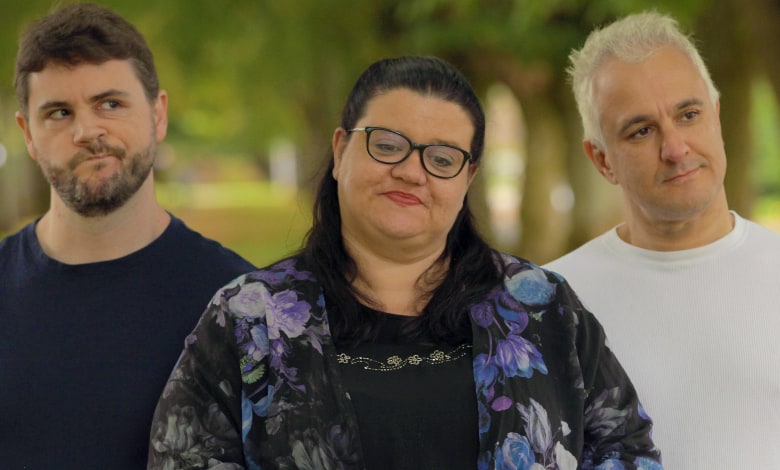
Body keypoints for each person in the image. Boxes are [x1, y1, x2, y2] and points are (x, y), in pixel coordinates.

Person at [147, 55, 662, 470]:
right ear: (341, 150)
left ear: (468, 179)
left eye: (441, 159)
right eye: (388, 146)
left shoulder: (543, 308)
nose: (412, 172)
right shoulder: (248, 318)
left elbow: (627, 449)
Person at [0, 4, 255, 468]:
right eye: (59, 112)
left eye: (110, 104)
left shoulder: (241, 303)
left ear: (158, 114)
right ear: (28, 135)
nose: (87, 131)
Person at [545, 11, 780, 468]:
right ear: (601, 160)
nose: (675, 148)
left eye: (688, 114)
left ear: (716, 115)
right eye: (642, 130)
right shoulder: (552, 303)